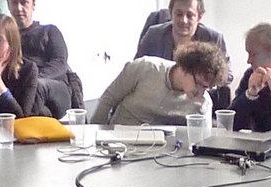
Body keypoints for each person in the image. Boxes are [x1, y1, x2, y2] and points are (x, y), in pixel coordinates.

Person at [90, 42, 228, 127]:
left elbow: (201, 144)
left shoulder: (203, 104)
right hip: (121, 141)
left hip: (164, 157)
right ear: (185, 68)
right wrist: (96, 140)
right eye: (200, 84)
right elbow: (108, 99)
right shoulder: (144, 67)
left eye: (207, 88)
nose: (202, 93)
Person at [7, 0, 82, 116]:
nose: (19, 8)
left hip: (54, 89)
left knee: (38, 87)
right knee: (40, 112)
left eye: (24, 2)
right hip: (28, 96)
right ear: (8, 5)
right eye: (14, 2)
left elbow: (60, 63)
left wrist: (31, 81)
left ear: (33, 5)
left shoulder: (50, 31)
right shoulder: (6, 38)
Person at [135, 0, 230, 62]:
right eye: (179, 14)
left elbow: (226, 76)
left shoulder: (213, 39)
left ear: (199, 17)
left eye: (190, 15)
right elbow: (136, 68)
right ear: (171, 14)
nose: (184, 20)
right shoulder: (153, 35)